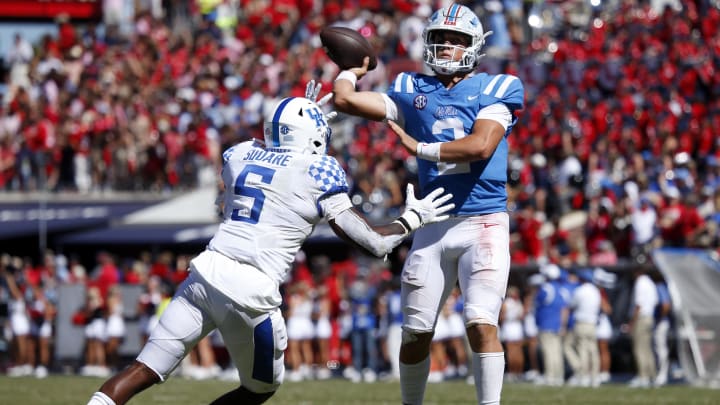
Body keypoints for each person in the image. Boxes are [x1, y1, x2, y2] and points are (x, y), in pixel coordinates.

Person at [85, 94, 454, 405]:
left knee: (141, 370)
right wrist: (410, 220)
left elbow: (274, 147)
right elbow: (375, 244)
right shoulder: (320, 170)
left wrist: (300, 110)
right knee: (260, 387)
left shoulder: (240, 155)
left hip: (205, 273)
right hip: (251, 288)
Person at [332, 3, 524, 403]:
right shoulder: (410, 87)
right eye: (440, 39)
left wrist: (420, 147)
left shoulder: (498, 86)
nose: (447, 47)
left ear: (473, 46)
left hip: (483, 222)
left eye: (456, 40)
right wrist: (351, 70)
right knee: (415, 331)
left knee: (479, 320)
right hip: (432, 223)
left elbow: (481, 145)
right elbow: (346, 102)